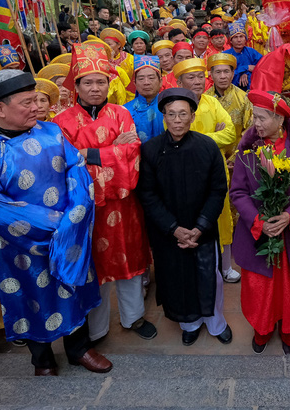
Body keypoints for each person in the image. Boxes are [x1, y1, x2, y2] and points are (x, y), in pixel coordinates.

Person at [0, 69, 110, 376]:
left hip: (70, 233)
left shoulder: (52, 132)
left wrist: (74, 219)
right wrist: (58, 226)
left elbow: (77, 169)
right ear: (0, 109)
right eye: (27, 102)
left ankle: (79, 349)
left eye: (36, 100)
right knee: (30, 296)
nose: (36, 107)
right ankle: (41, 358)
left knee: (71, 285)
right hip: (20, 244)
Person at [53, 43, 155, 342]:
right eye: (88, 82)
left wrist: (90, 153)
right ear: (77, 85)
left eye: (101, 82)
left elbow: (133, 151)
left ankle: (133, 317)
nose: (95, 88)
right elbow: (67, 163)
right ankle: (96, 328)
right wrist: (112, 151)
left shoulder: (122, 114)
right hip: (86, 208)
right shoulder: (61, 121)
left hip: (123, 206)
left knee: (130, 260)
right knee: (92, 268)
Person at [231, 91, 290, 354]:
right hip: (258, 231)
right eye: (254, 116)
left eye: (261, 118)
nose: (255, 123)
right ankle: (262, 328)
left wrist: (289, 216)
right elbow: (237, 192)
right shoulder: (247, 148)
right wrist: (259, 220)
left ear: (280, 119)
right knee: (259, 285)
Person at [137, 88, 233, 345]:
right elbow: (147, 194)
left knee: (209, 276)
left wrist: (200, 227)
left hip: (203, 228)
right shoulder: (150, 150)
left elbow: (218, 190)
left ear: (192, 116)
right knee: (176, 277)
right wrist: (173, 228)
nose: (177, 120)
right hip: (168, 232)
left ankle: (216, 323)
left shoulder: (207, 146)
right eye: (171, 114)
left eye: (183, 114)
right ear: (164, 117)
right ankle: (189, 323)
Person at [206, 53, 253, 283]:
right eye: (218, 72)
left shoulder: (244, 99)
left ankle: (233, 252)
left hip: (237, 161)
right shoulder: (203, 99)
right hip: (209, 162)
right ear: (211, 75)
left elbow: (249, 131)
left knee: (236, 204)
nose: (223, 76)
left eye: (227, 71)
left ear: (233, 73)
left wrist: (235, 156)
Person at [126, 56, 165, 142]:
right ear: (135, 83)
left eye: (151, 78)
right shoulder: (125, 111)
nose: (146, 82)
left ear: (160, 82)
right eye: (141, 79)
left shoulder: (168, 107)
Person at [227, 21, 262, 89]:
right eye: (235, 37)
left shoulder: (251, 52)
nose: (239, 40)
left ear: (245, 39)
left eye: (241, 36)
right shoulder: (226, 55)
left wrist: (246, 73)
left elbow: (262, 67)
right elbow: (226, 75)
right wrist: (246, 68)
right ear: (231, 40)